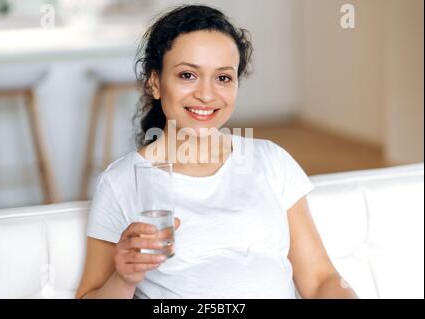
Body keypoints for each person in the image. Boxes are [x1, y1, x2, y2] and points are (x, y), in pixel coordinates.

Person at [75, 4, 358, 299]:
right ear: (155, 82)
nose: (206, 94)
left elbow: (321, 279)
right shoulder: (121, 182)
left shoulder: (272, 161)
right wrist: (124, 279)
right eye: (187, 75)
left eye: (222, 78)